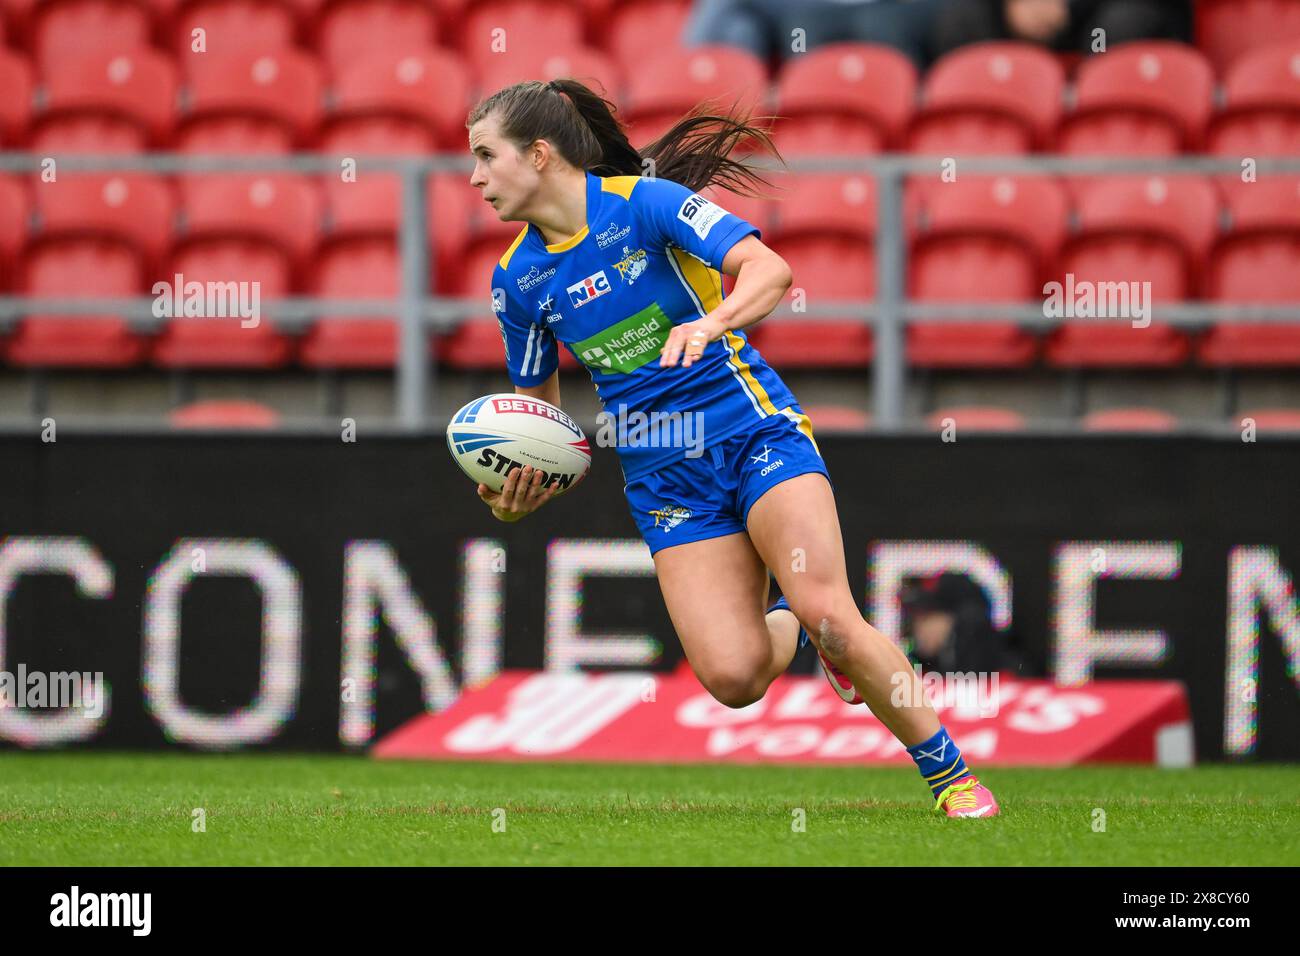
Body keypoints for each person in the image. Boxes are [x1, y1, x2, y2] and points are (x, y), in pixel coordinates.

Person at [465, 78, 998, 818]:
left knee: (836, 614)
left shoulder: (643, 205)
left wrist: (708, 326)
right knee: (735, 678)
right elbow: (545, 426)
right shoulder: (517, 281)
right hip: (662, 475)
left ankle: (953, 779)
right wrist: (516, 495)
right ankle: (803, 632)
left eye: (487, 156)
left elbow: (770, 270)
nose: (476, 177)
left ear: (541, 154)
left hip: (751, 428)